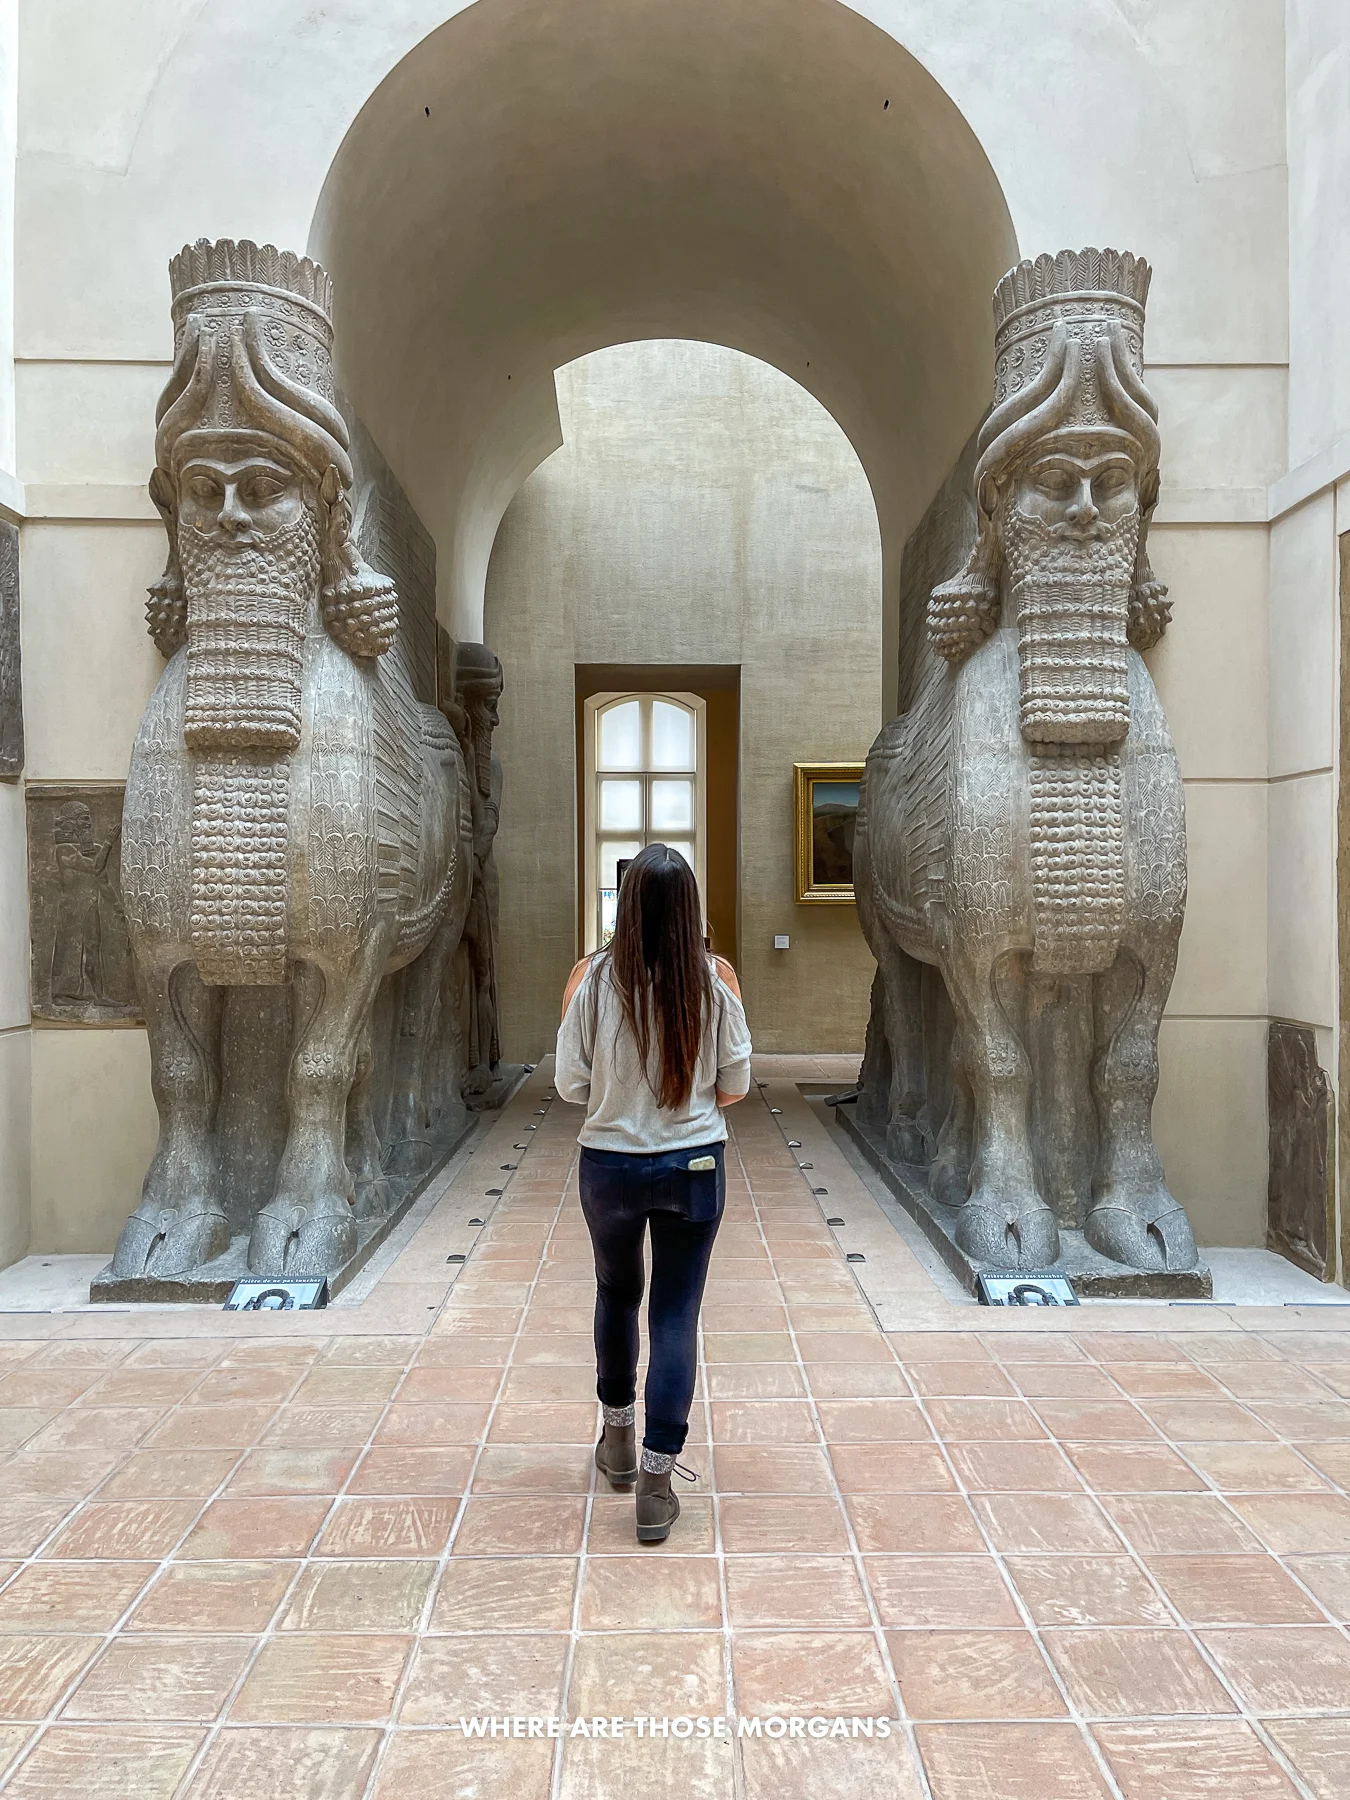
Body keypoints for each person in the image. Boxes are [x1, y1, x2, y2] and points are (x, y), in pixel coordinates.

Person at [555, 843, 752, 1542]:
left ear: (626, 903)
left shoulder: (591, 978)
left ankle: (615, 1442)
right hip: (693, 1163)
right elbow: (736, 1086)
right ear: (690, 908)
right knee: (674, 1315)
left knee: (617, 1293)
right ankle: (657, 1484)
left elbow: (569, 1086)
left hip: (608, 1165)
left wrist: (620, 1098)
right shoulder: (715, 978)